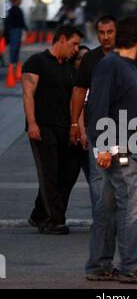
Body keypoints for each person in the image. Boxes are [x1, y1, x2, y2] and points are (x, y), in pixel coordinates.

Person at [85, 16, 137, 284]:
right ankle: (131, 265)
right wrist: (103, 147)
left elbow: (120, 106)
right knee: (131, 207)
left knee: (106, 209)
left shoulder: (126, 66)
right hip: (118, 150)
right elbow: (97, 107)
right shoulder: (112, 65)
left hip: (123, 146)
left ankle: (98, 264)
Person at [69, 15, 137, 217]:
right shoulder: (93, 60)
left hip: (127, 133)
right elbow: (80, 92)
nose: (105, 37)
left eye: (110, 32)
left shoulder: (133, 60)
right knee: (99, 178)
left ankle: (111, 221)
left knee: (121, 182)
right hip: (100, 129)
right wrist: (76, 125)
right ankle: (103, 219)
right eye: (101, 33)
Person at [22, 25, 83, 235]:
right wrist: (32, 124)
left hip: (64, 128)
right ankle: (54, 220)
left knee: (64, 174)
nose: (76, 49)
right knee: (49, 173)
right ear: (62, 39)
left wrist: (76, 127)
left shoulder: (70, 69)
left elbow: (76, 101)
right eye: (74, 44)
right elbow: (28, 94)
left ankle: (38, 214)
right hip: (43, 126)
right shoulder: (36, 62)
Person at [4, 0, 27, 66]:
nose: (21, 1)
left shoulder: (16, 9)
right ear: (16, 0)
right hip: (14, 29)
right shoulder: (13, 9)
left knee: (16, 46)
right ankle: (13, 61)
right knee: (14, 46)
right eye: (19, 0)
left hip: (16, 29)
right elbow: (16, 20)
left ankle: (14, 61)